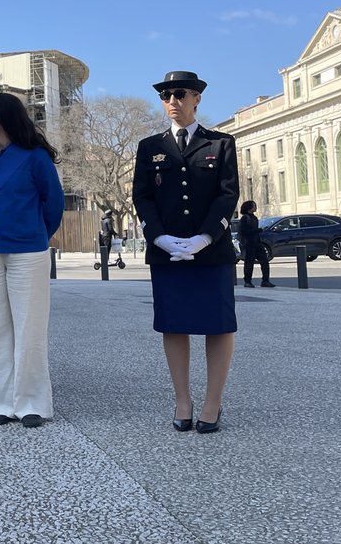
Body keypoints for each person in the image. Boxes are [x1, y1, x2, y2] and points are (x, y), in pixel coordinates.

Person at [132, 70, 240, 434]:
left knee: (218, 325)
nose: (172, 101)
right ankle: (182, 400)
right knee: (173, 324)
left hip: (211, 251)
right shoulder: (150, 147)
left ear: (197, 98)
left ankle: (213, 401)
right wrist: (158, 237)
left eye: (179, 93)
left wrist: (206, 237)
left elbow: (227, 194)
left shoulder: (220, 144)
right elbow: (143, 197)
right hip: (168, 252)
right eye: (165, 96)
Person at [0, 93, 64, 428]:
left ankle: (31, 403)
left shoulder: (36, 157)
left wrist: (35, 233)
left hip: (27, 251)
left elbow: (54, 204)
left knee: (29, 327)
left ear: (3, 117)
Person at [238, 200, 274, 288]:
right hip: (249, 244)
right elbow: (244, 232)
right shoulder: (245, 218)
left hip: (257, 243)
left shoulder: (254, 218)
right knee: (249, 263)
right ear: (248, 208)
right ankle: (247, 281)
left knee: (264, 261)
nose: (255, 207)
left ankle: (265, 281)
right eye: (253, 205)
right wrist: (258, 230)